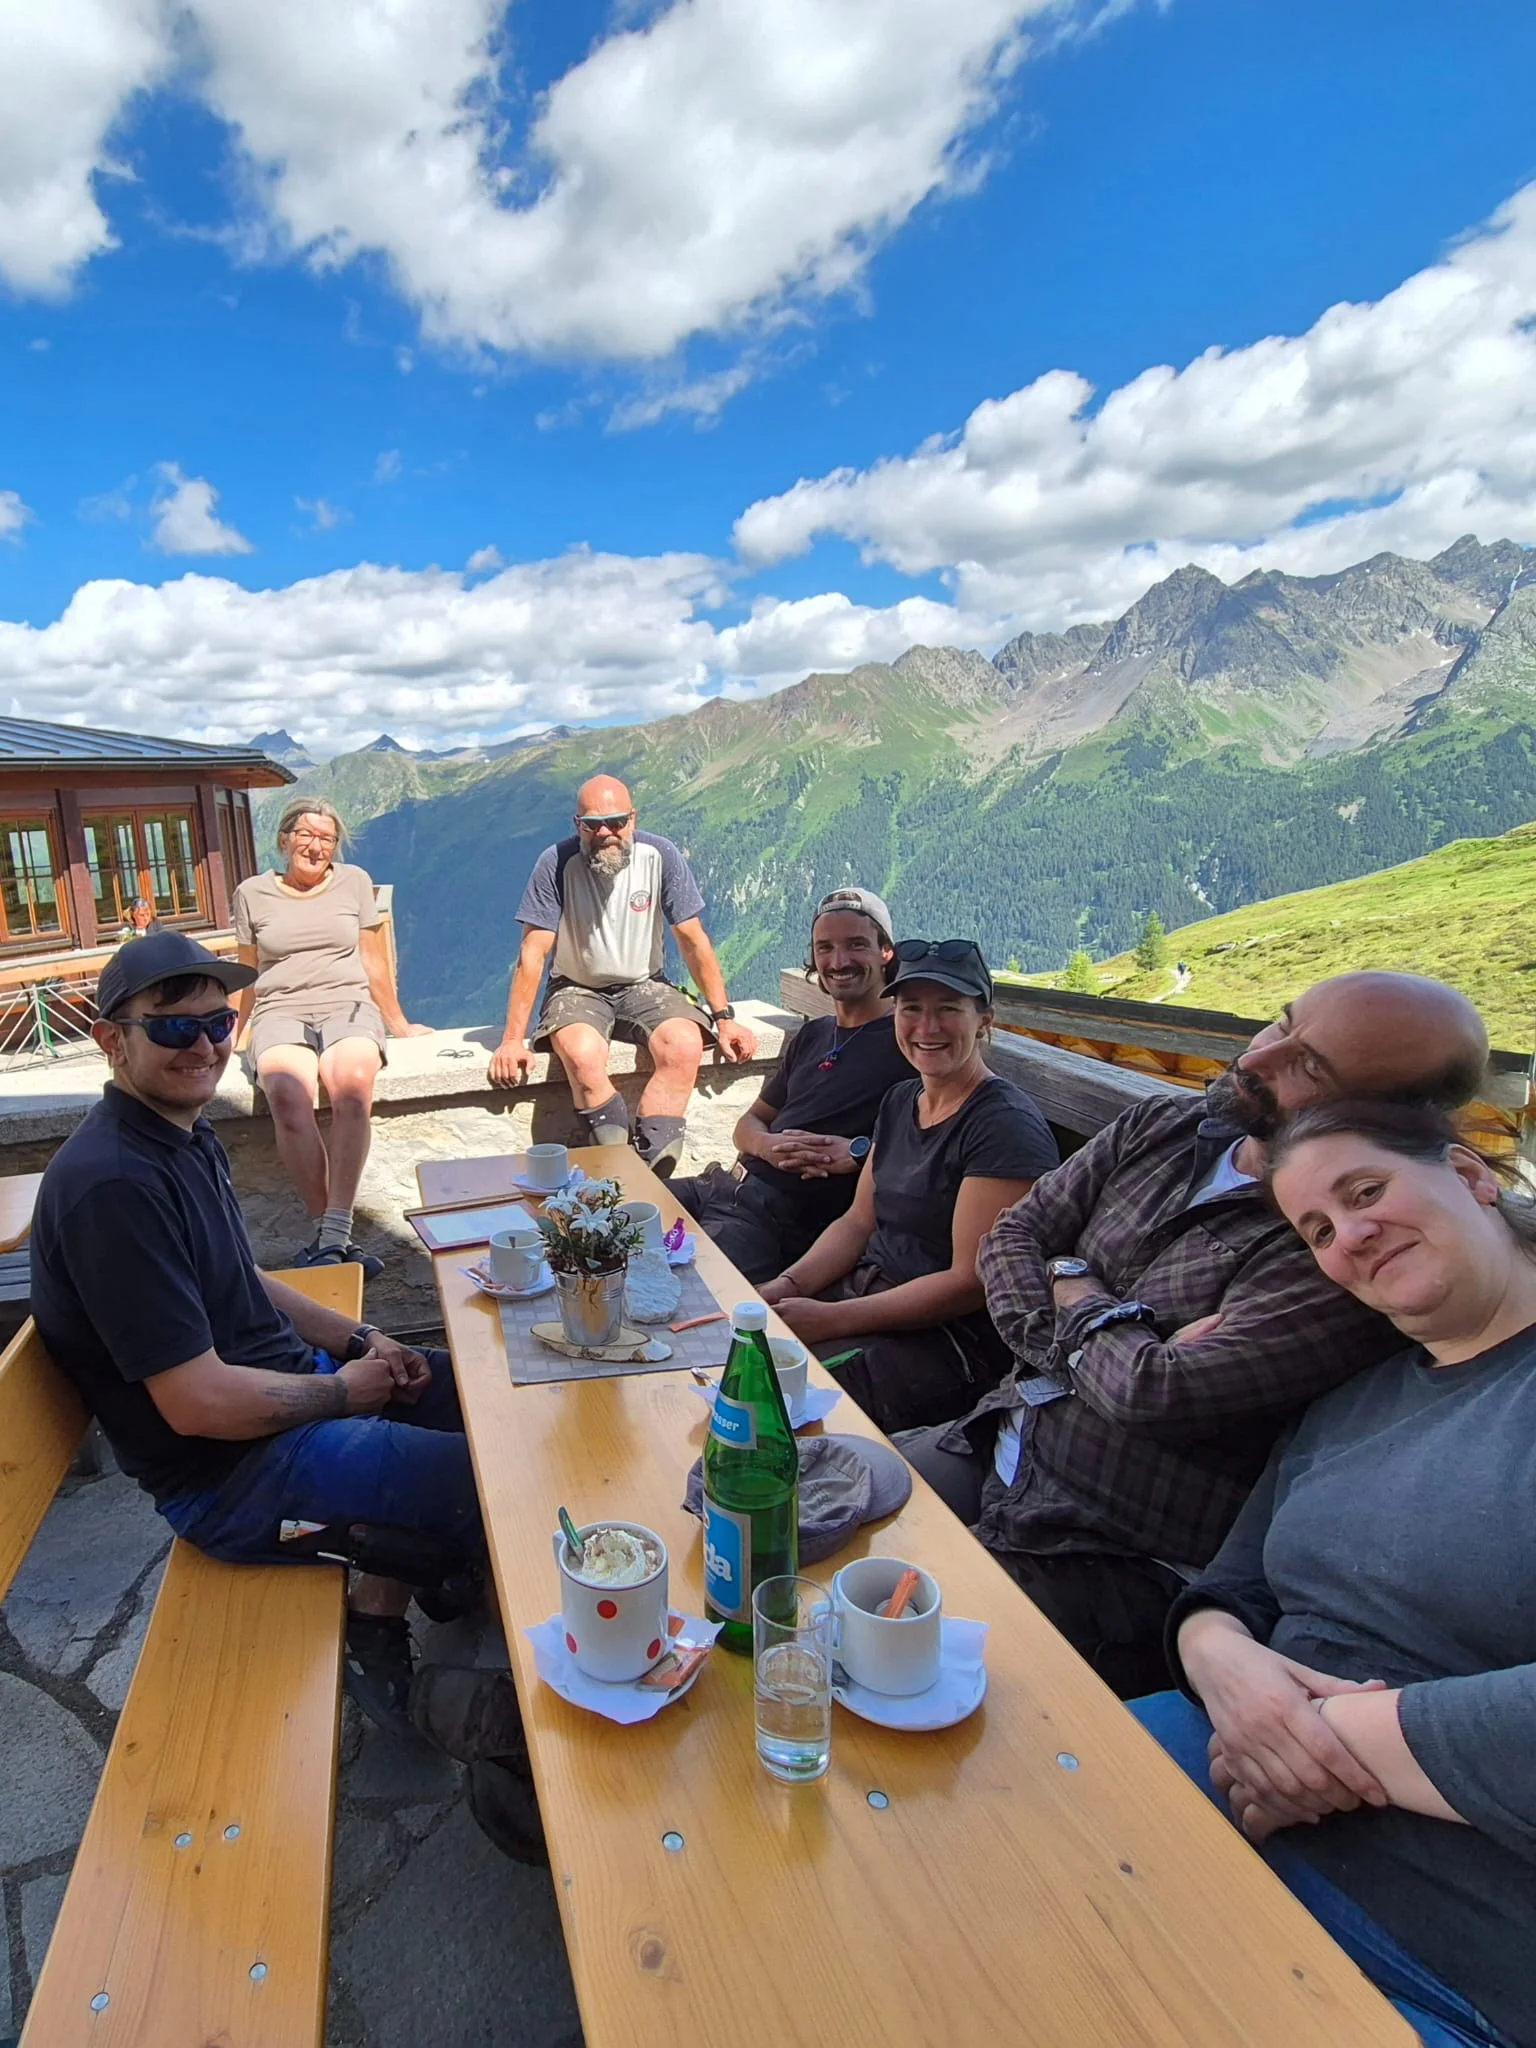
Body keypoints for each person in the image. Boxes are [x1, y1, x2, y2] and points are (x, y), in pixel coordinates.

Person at [897, 971, 1491, 1699]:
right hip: (995, 1437)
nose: (1257, 1057)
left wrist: (1073, 1285)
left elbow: (1156, 1394)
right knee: (794, 1494)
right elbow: (1012, 1235)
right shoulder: (1167, 1125)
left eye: (1309, 1067)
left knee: (873, 1648)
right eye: (1281, 1022)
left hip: (1109, 1549)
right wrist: (1110, 1332)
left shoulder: (1337, 1249)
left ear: (1386, 1121)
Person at [1132, 1098, 1536, 2048]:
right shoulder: (1349, 1406)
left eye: (1367, 1191)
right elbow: (1229, 1588)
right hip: (1215, 1774)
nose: (1350, 1235)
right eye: (1317, 1229)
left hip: (1440, 1948)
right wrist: (1228, 1671)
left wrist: (1314, 1739)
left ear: (1473, 1176)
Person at [29, 934, 489, 1747]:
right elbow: (197, 1404)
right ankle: (409, 1605)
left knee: (484, 1396)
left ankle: (422, 1570)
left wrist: (364, 1341)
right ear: (112, 1039)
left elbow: (241, 1279)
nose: (203, 1044)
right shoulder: (113, 1187)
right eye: (173, 1028)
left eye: (220, 1022)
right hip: (232, 1481)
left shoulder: (177, 1133)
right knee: (492, 1485)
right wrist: (346, 1393)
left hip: (286, 1409)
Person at [761, 939, 1059, 1433]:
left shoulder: (1003, 1127)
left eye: (949, 1010)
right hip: (866, 1300)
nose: (927, 1027)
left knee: (775, 1409)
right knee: (738, 1362)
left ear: (985, 1020)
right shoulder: (903, 1099)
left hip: (944, 1343)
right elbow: (858, 1221)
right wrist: (786, 1286)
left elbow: (970, 1282)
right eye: (911, 1008)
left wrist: (833, 1319)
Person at [487, 774, 757, 1174]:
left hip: (645, 983)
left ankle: (652, 1170)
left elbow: (692, 939)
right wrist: (512, 1040)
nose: (605, 833)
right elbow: (533, 951)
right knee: (581, 1055)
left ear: (633, 818)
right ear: (577, 824)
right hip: (575, 987)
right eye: (592, 824)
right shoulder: (556, 863)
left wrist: (724, 1018)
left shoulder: (659, 855)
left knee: (683, 1046)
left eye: (616, 822)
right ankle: (616, 1170)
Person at [670, 887, 912, 1281]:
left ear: (886, 952)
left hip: (771, 1220)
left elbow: (930, 1147)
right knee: (602, 1213)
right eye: (825, 947)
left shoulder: (907, 1041)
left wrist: (860, 1150)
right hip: (719, 1187)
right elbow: (747, 1125)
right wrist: (767, 1146)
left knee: (690, 1289)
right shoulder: (814, 1034)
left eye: (856, 945)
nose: (839, 960)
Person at [232, 797, 431, 1275]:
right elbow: (245, 970)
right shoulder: (252, 893)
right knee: (286, 1092)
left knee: (352, 1085)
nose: (315, 846)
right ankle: (334, 1235)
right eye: (305, 835)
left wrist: (398, 1023)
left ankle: (332, 1235)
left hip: (348, 1004)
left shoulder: (354, 882)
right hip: (280, 1008)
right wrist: (231, 1036)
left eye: (326, 839)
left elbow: (372, 960)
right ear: (284, 840)